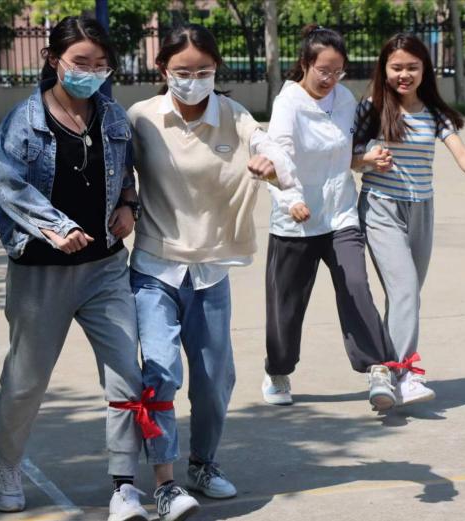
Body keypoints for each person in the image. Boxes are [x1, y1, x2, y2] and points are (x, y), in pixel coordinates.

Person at [127, 24, 294, 521]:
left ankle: (202, 464)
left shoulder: (234, 116)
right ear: (163, 69)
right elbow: (115, 172)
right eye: (183, 71)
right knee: (160, 373)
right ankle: (164, 481)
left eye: (203, 71)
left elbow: (272, 148)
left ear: (216, 69)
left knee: (214, 379)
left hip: (210, 271)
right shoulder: (142, 118)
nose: (193, 80)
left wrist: (270, 166)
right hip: (155, 267)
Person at [0, 16, 151, 521]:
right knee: (26, 381)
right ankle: (7, 466)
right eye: (81, 62)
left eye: (101, 64)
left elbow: (126, 171)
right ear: (53, 59)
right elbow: (11, 187)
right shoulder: (24, 120)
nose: (91, 72)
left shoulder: (112, 115)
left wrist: (128, 203)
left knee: (126, 375)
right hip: (41, 272)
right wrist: (55, 227)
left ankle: (124, 484)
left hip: (105, 267)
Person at [353, 33, 465, 406]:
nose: (404, 74)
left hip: (422, 209)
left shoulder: (435, 113)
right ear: (384, 69)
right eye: (396, 67)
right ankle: (405, 373)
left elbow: (461, 152)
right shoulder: (372, 108)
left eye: (412, 67)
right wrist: (368, 159)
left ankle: (383, 374)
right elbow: (349, 157)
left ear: (425, 70)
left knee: (406, 296)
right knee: (405, 289)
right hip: (381, 207)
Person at [261, 24, 398, 412]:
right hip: (296, 221)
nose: (330, 79)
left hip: (340, 215)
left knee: (356, 286)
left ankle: (377, 368)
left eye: (338, 71)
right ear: (305, 64)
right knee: (286, 306)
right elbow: (278, 156)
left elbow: (344, 155)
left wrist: (366, 159)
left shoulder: (345, 99)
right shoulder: (288, 103)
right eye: (323, 70)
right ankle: (278, 370)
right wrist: (290, 199)